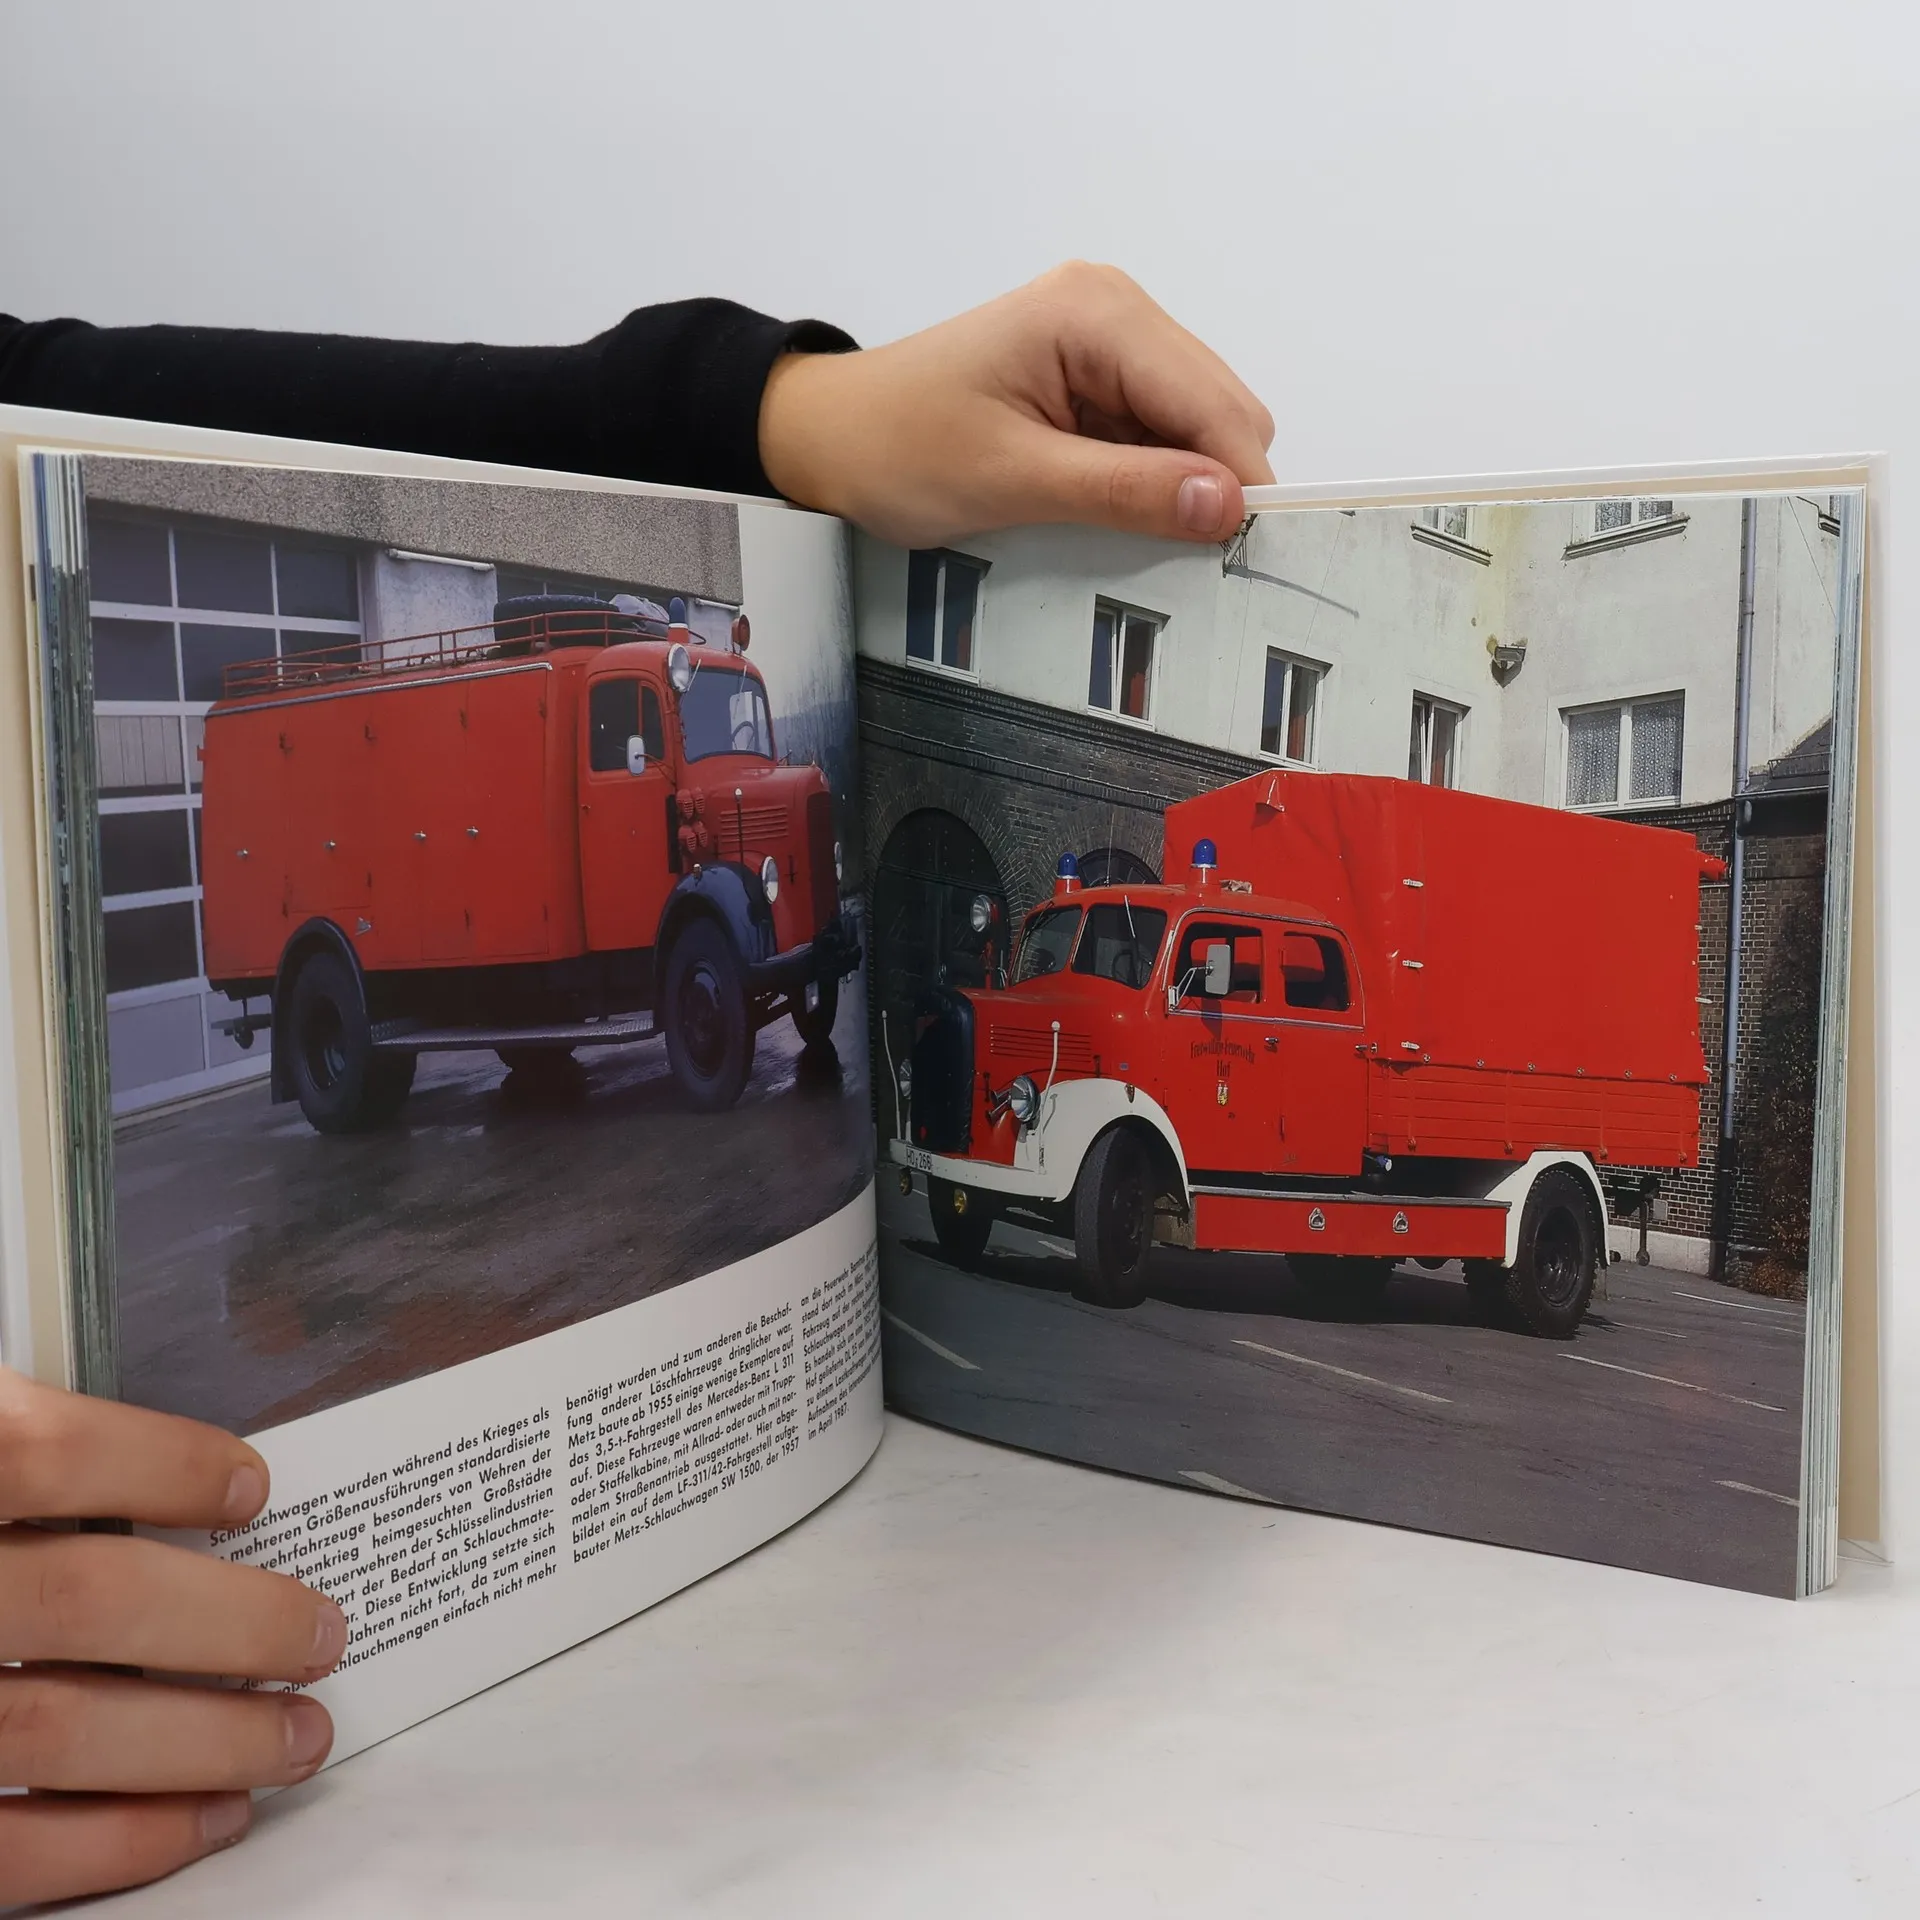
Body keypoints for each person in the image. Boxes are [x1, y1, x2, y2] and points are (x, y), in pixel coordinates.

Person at [0, 261, 1274, 1906]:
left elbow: (73, 375)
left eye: (722, 718)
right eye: (654, 735)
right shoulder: (613, 784)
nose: (701, 754)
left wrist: (776, 409)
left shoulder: (729, 791)